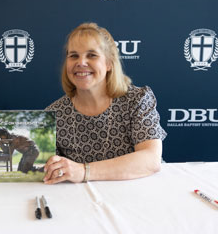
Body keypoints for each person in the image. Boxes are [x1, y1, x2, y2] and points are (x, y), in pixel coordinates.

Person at [43, 23, 167, 184]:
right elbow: (47, 172)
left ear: (109, 63)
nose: (81, 62)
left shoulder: (138, 100)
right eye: (73, 55)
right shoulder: (54, 114)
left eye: (92, 55)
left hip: (141, 197)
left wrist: (83, 171)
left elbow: (151, 160)